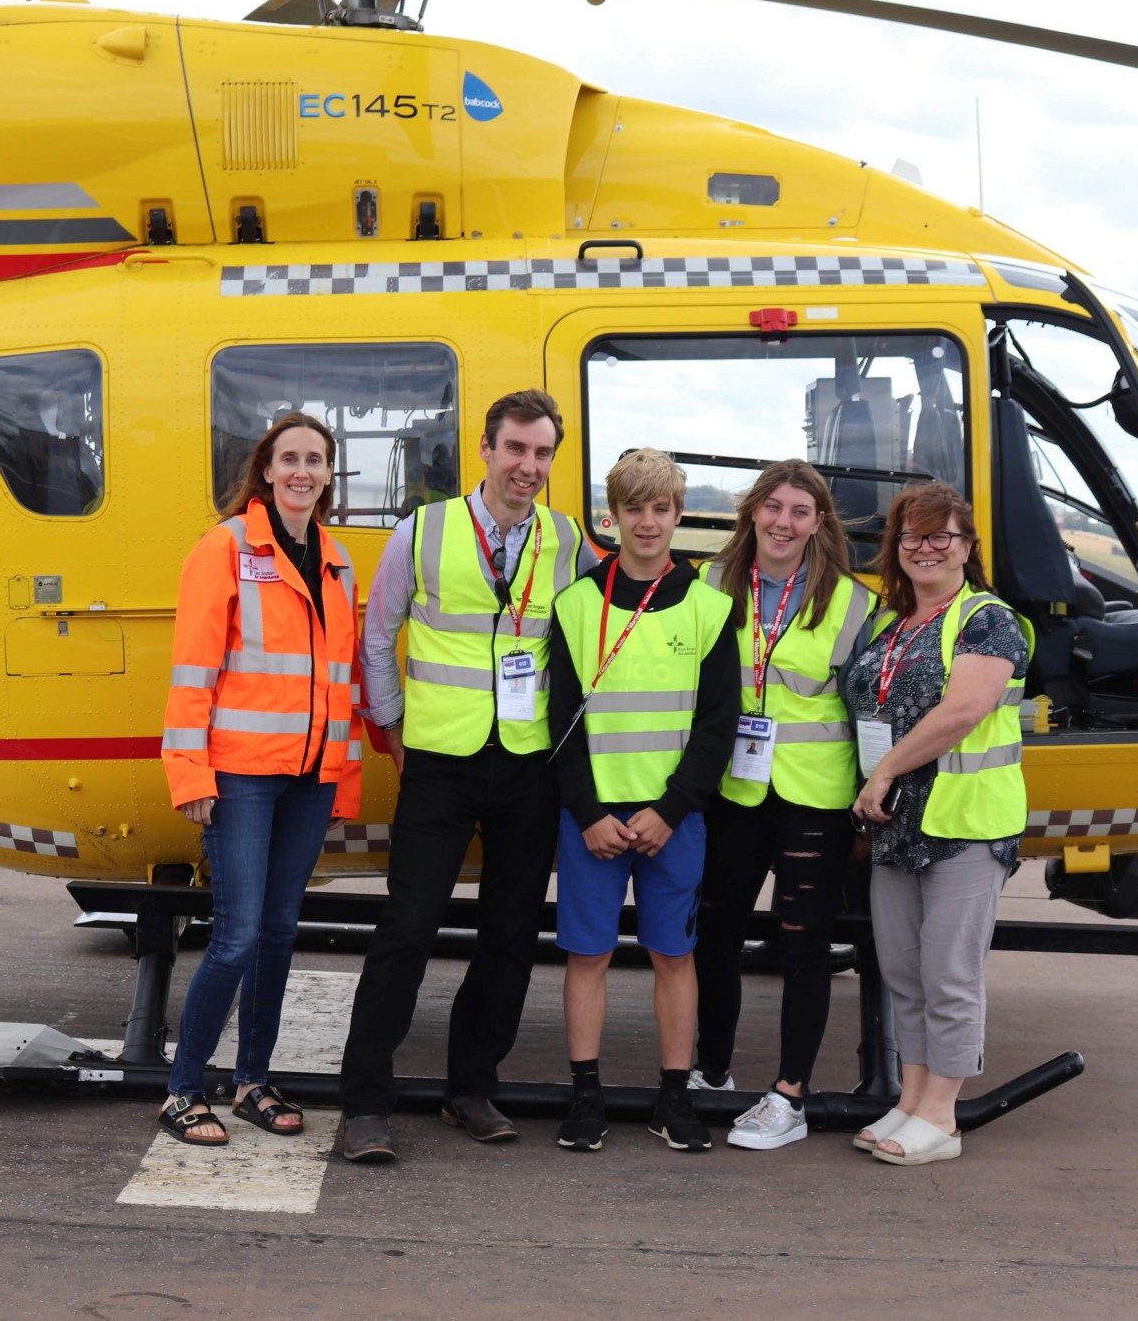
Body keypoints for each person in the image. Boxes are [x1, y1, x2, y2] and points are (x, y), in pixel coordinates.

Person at [336, 389, 598, 1163]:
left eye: (543, 453)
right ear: (485, 449)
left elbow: (593, 637)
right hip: (440, 764)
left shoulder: (568, 539)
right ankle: (364, 1105)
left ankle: (470, 1087)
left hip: (527, 767)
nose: (529, 466)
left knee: (510, 937)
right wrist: (392, 728)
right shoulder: (422, 530)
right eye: (516, 449)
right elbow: (378, 634)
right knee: (406, 932)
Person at [157, 411, 365, 1146]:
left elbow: (341, 685)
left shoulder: (337, 560)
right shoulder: (225, 548)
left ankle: (251, 1082)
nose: (303, 471)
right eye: (290, 459)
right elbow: (192, 671)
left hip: (309, 779)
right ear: (267, 471)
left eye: (316, 459)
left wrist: (342, 782)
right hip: (241, 777)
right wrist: (190, 775)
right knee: (237, 938)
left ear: (330, 473)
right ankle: (183, 1091)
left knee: (278, 932)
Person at [548, 449, 739, 1154]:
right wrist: (589, 813)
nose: (648, 522)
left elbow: (717, 727)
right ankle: (585, 1095)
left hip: (673, 821)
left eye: (661, 509)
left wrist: (672, 809)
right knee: (587, 956)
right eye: (635, 509)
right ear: (613, 516)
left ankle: (673, 1097)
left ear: (678, 515)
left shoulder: (711, 609)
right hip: (592, 819)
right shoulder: (574, 605)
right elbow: (560, 724)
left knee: (673, 957)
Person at [841, 482, 1031, 1167]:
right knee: (905, 974)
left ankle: (943, 1118)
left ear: (966, 547)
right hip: (896, 828)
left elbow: (963, 710)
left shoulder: (988, 621)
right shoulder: (895, 625)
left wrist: (885, 771)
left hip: (964, 825)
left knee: (949, 974)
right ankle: (912, 1100)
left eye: (940, 536)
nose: (925, 547)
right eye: (911, 537)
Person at [692, 460, 876, 1150]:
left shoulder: (854, 604)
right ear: (752, 512)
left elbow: (869, 712)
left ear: (818, 523)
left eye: (800, 511)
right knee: (714, 939)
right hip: (732, 793)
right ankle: (711, 1072)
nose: (783, 522)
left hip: (813, 800)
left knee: (802, 950)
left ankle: (789, 1097)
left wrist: (864, 803)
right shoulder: (710, 586)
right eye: (772, 506)